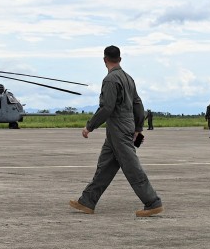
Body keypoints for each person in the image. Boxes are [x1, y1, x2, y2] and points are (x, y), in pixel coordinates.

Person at [70, 45, 163, 217]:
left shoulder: (111, 80)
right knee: (105, 166)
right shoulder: (128, 78)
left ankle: (152, 202)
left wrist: (89, 126)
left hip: (118, 129)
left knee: (131, 166)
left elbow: (107, 107)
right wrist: (138, 128)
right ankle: (87, 201)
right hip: (122, 128)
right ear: (120, 59)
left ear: (104, 60)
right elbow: (138, 104)